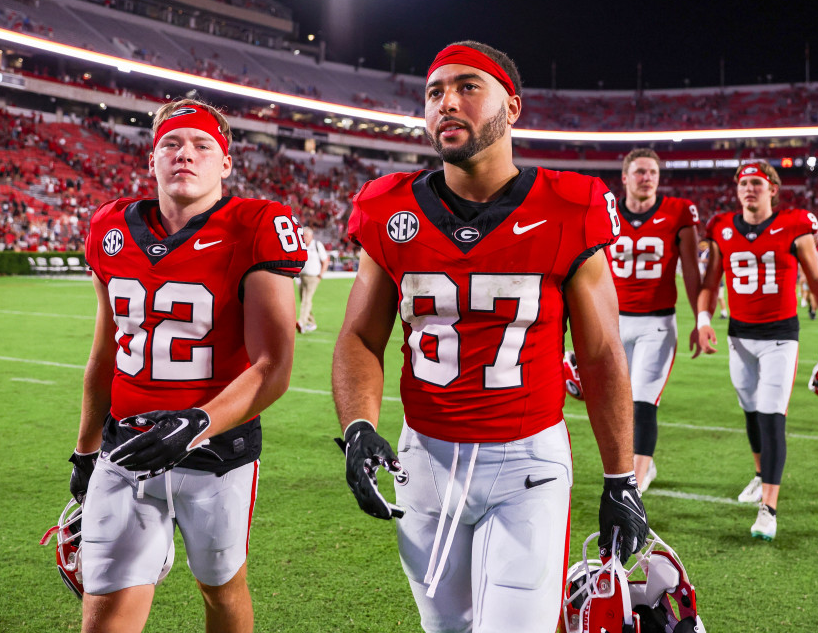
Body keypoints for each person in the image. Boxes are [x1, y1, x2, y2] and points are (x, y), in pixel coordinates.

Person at [332, 41, 645, 633]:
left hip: (527, 462)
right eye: (434, 92)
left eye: (468, 87)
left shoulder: (570, 204)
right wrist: (358, 425)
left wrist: (621, 478)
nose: (447, 102)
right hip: (423, 460)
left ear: (513, 107)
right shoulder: (386, 207)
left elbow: (601, 356)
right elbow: (358, 338)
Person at [72, 96, 304, 633]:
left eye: (202, 145)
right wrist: (85, 452)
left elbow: (273, 366)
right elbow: (104, 355)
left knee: (221, 590)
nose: (185, 154)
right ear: (151, 158)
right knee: (104, 612)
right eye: (171, 144)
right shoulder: (111, 226)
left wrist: (197, 423)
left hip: (217, 454)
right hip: (125, 446)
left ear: (225, 163)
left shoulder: (258, 225)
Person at [697, 161, 818, 541]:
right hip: (738, 336)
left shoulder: (796, 223)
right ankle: (761, 475)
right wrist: (702, 320)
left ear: (773, 189)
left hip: (780, 336)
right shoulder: (722, 227)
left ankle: (769, 508)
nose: (749, 189)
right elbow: (711, 282)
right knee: (750, 411)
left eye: (757, 183)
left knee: (771, 415)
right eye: (744, 183)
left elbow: (816, 279)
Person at [608, 147, 701, 493]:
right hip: (613, 323)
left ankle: (636, 476)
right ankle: (639, 462)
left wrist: (701, 318)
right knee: (619, 402)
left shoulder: (678, 211)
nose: (646, 178)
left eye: (652, 173)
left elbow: (691, 271)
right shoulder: (606, 212)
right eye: (640, 172)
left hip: (657, 324)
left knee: (644, 399)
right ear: (625, 177)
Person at [296, 227, 330, 333]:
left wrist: (320, 275)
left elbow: (325, 260)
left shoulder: (317, 245)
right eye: (303, 235)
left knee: (306, 299)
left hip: (313, 277)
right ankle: (312, 323)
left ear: (311, 236)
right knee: (303, 299)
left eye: (306, 235)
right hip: (301, 276)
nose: (304, 237)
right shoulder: (300, 245)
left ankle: (302, 322)